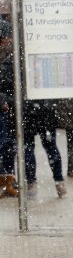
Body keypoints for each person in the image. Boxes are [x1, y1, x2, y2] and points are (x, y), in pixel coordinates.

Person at [0, 19, 18, 197]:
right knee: (3, 144)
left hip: (10, 108)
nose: (8, 41)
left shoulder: (11, 57)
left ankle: (9, 181)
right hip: (4, 107)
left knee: (9, 146)